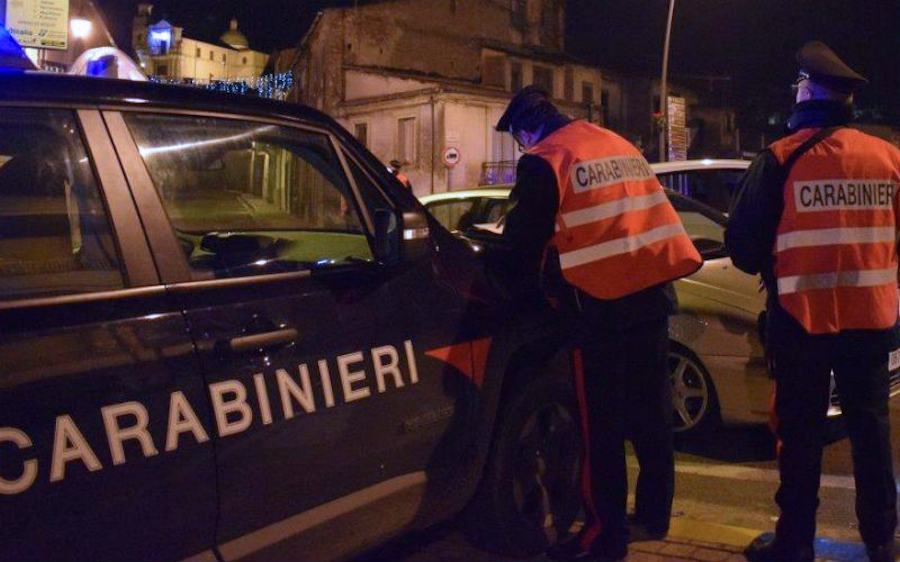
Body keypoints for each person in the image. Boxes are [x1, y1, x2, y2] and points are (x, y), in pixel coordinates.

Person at [489, 85, 702, 561]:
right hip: (651, 300)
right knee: (651, 416)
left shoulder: (547, 159)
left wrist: (497, 268)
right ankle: (653, 513)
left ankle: (604, 538)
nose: (523, 147)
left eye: (520, 139)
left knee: (600, 428)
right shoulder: (615, 143)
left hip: (600, 308)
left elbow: (523, 244)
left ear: (526, 129)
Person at [727, 41, 898, 562]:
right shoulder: (889, 158)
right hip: (871, 321)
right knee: (869, 429)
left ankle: (795, 542)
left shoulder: (781, 158)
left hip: (803, 323)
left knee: (801, 436)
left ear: (808, 91)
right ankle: (882, 538)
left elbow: (742, 248)